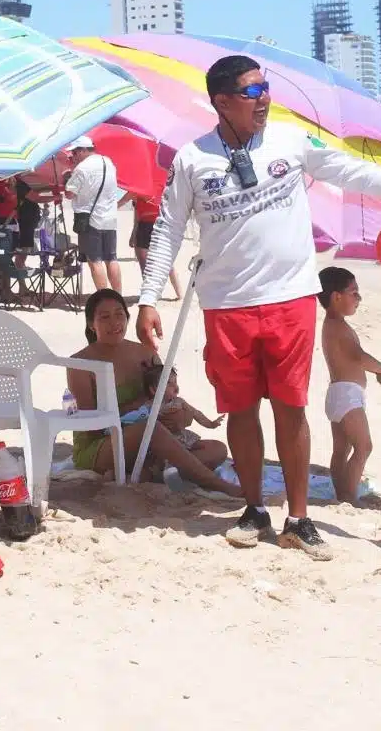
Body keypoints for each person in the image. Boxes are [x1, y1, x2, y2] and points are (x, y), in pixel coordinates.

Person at [135, 55, 381, 559]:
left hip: (290, 300)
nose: (264, 97)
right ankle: (253, 509)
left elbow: (354, 172)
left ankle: (298, 518)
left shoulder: (290, 141)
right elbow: (169, 229)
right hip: (227, 305)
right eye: (251, 91)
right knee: (240, 412)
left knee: (291, 409)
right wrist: (149, 295)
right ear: (221, 101)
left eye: (265, 87)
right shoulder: (192, 160)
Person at [67, 289, 242, 497]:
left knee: (217, 449)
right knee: (148, 430)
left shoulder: (145, 353)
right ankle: (214, 482)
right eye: (104, 317)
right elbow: (90, 426)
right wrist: (137, 410)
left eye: (119, 314)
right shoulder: (80, 364)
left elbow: (167, 397)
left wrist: (178, 418)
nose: (114, 322)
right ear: (91, 324)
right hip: (101, 446)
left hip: (151, 441)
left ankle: (149, 473)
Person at [318, 267, 381, 505]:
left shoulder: (333, 324)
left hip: (339, 393)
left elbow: (351, 359)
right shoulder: (338, 327)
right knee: (364, 447)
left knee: (341, 450)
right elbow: (358, 356)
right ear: (336, 297)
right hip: (346, 396)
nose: (359, 298)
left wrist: (375, 373)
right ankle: (349, 496)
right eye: (354, 293)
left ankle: (342, 490)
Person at [64, 136, 123, 293]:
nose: (73, 156)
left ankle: (103, 297)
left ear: (83, 150)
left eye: (75, 152)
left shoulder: (82, 168)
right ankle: (118, 295)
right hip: (110, 218)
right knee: (111, 258)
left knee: (94, 260)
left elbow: (69, 193)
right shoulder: (108, 162)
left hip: (90, 219)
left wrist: (69, 175)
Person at [125, 193, 183, 301]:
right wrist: (133, 234)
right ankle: (176, 293)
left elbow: (137, 216)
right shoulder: (161, 188)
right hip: (156, 225)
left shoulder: (139, 191)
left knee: (151, 264)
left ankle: (153, 294)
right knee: (164, 263)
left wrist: (134, 234)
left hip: (150, 226)